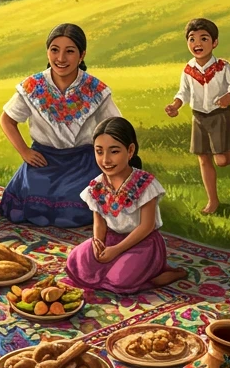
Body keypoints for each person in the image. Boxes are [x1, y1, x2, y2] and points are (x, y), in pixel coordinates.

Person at [0, 23, 121, 227]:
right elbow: (7, 119)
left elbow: (116, 126)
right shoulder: (33, 86)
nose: (61, 58)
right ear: (47, 52)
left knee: (75, 200)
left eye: (69, 51)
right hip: (43, 160)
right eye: (54, 50)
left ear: (81, 55)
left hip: (82, 161)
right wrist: (25, 152)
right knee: (33, 197)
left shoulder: (94, 88)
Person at [65, 117, 186, 293]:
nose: (106, 159)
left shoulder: (145, 184)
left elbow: (147, 226)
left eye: (114, 152)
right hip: (111, 239)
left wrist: (116, 251)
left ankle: (161, 277)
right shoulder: (97, 185)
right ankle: (120, 271)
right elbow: (99, 223)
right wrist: (98, 244)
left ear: (130, 151)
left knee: (120, 279)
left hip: (143, 242)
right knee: (77, 261)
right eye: (99, 152)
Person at [164, 18, 230, 214]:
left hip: (219, 115)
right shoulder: (188, 70)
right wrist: (175, 105)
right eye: (192, 39)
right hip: (198, 117)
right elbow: (183, 92)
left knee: (220, 160)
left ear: (214, 43)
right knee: (203, 158)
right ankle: (212, 200)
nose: (198, 44)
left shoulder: (222, 67)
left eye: (204, 39)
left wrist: (229, 96)